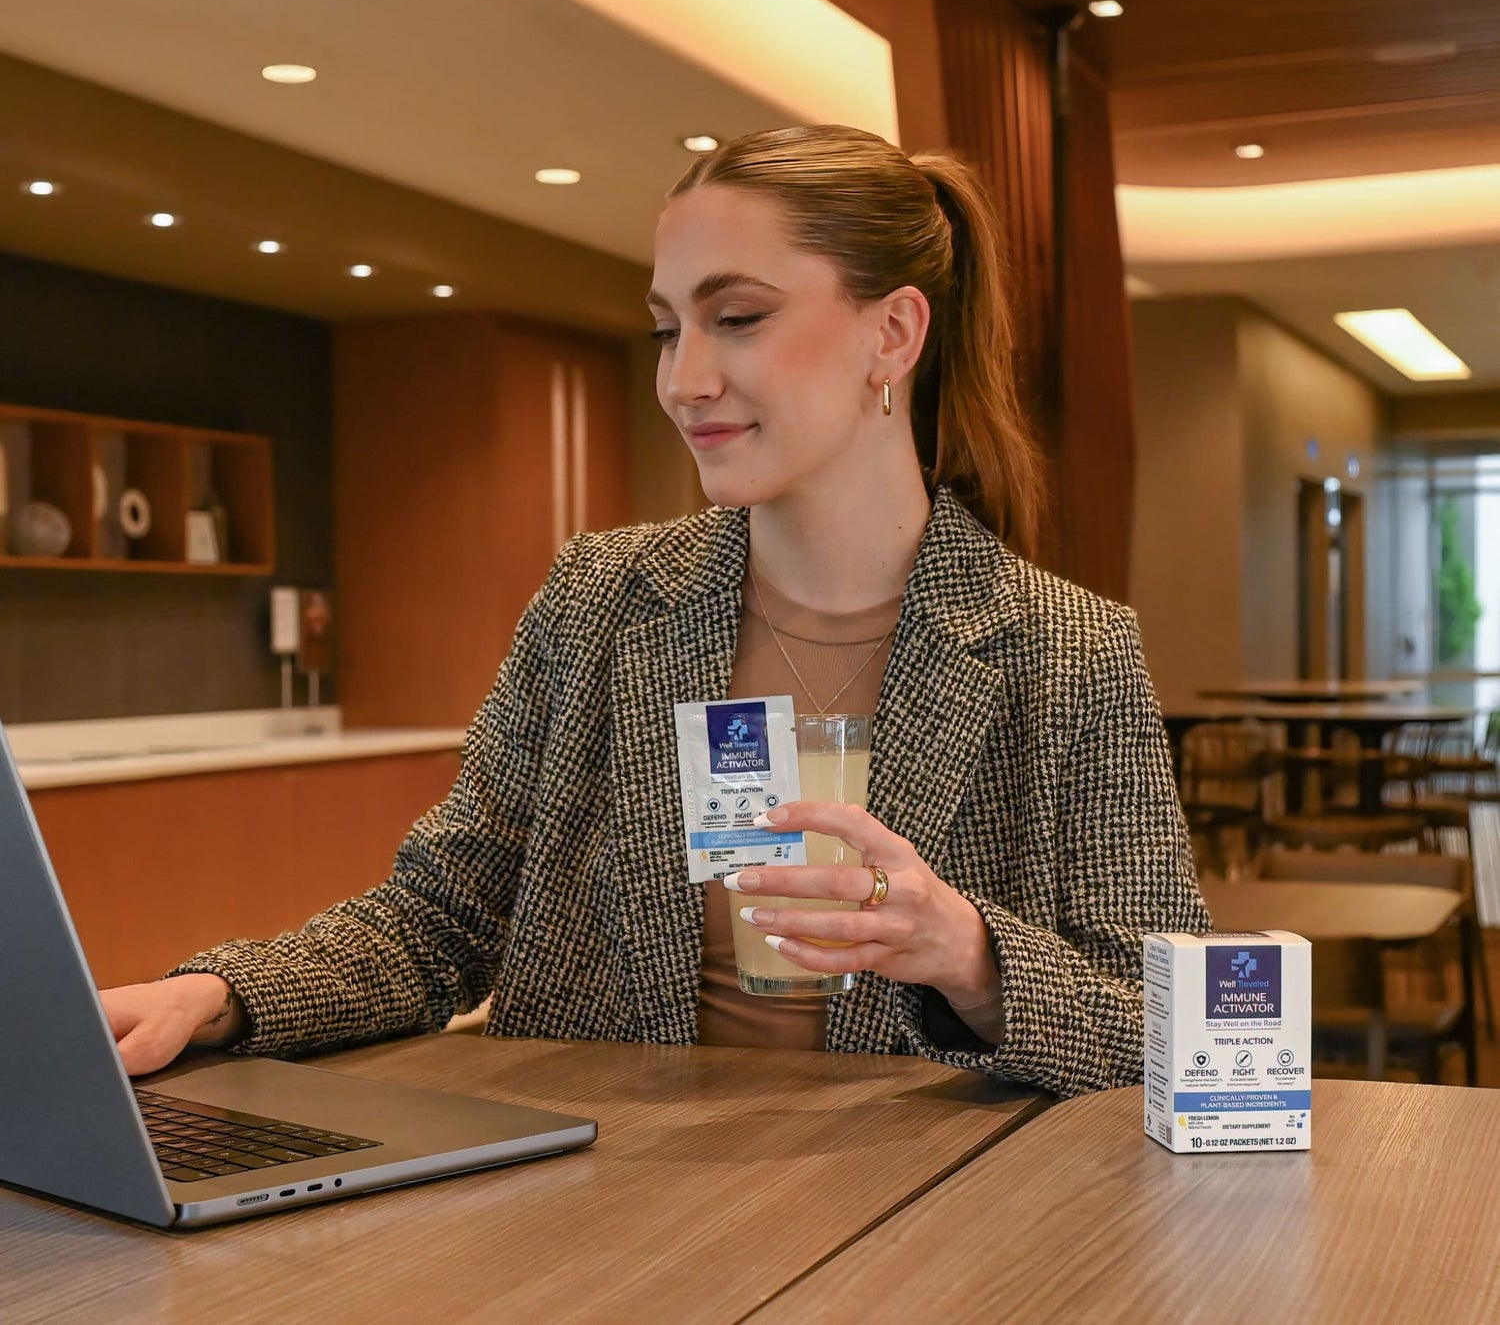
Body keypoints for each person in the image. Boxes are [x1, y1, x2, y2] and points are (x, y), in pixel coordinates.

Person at [102, 125, 1207, 1099]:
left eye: (736, 317)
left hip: (920, 1231)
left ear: (895, 333)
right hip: (600, 1208)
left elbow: (1173, 1029)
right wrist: (220, 992)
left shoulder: (1068, 651)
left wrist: (965, 950)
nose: (684, 381)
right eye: (668, 331)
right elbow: (442, 918)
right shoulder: (598, 601)